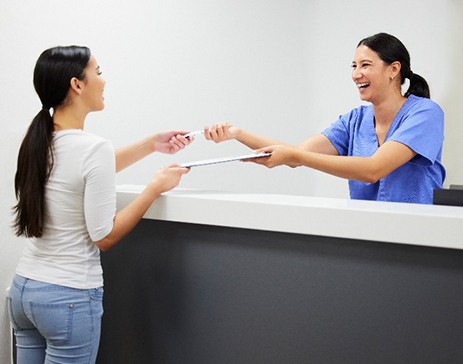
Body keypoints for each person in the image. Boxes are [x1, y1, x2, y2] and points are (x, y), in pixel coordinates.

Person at [8, 46, 191, 364]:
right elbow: (104, 236)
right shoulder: (93, 149)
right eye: (99, 72)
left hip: (25, 291)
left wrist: (151, 144)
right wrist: (154, 188)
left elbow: (86, 171)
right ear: (77, 84)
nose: (104, 81)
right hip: (68, 297)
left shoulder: (37, 140)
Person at [204, 32, 445, 204]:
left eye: (365, 65)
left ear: (394, 69)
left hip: (417, 235)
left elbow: (373, 169)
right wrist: (237, 134)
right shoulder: (354, 121)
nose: (356, 74)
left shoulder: (425, 114)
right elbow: (295, 155)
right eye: (353, 65)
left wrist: (296, 156)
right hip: (368, 234)